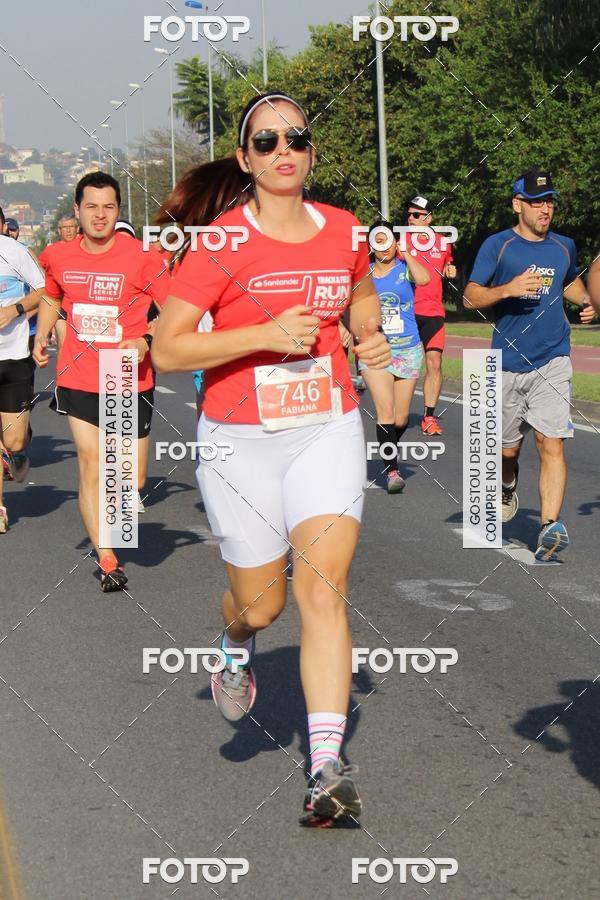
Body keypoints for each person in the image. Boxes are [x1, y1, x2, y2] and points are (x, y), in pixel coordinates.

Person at [152, 91, 391, 826]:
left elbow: (358, 296)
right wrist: (259, 336)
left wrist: (368, 332)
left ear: (311, 152)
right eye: (266, 141)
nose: (284, 150)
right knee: (263, 604)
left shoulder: (346, 229)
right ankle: (232, 644)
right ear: (245, 159)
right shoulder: (221, 241)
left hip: (325, 424)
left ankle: (326, 767)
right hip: (240, 439)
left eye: (297, 137)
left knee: (325, 589)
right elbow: (167, 347)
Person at [33, 172, 170, 589]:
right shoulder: (57, 254)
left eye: (108, 207)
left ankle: (115, 520)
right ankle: (107, 557)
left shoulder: (143, 257)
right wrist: (42, 333)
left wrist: (147, 338)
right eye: (91, 206)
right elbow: (52, 296)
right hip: (77, 372)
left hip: (125, 374)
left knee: (132, 478)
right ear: (77, 210)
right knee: (92, 465)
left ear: (118, 211)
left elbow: (174, 311)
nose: (100, 215)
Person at [464, 169, 594, 561]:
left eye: (550, 201)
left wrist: (584, 301)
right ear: (517, 204)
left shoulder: (563, 246)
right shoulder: (498, 246)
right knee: (508, 450)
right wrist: (507, 289)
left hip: (553, 358)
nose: (546, 209)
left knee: (550, 441)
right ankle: (507, 483)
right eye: (537, 202)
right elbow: (470, 297)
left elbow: (568, 281)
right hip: (505, 362)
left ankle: (548, 527)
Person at [359, 221, 430, 492]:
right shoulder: (364, 275)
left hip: (408, 348)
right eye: (377, 242)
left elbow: (424, 279)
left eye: (387, 240)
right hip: (374, 349)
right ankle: (392, 472)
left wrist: (407, 253)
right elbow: (349, 305)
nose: (383, 247)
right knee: (385, 411)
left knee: (400, 420)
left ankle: (388, 446)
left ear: (394, 242)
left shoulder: (405, 270)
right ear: (371, 246)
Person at [0, 206, 45, 532]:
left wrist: (15, 309)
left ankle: (17, 446)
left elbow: (47, 290)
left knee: (14, 441)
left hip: (14, 356)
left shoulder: (14, 253)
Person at [406, 195, 456, 435]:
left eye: (416, 215)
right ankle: (395, 410)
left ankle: (428, 417)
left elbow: (448, 267)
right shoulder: (400, 242)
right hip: (407, 312)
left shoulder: (444, 243)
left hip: (434, 312)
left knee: (434, 363)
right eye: (409, 214)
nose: (411, 219)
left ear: (429, 218)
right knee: (404, 366)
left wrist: (450, 270)